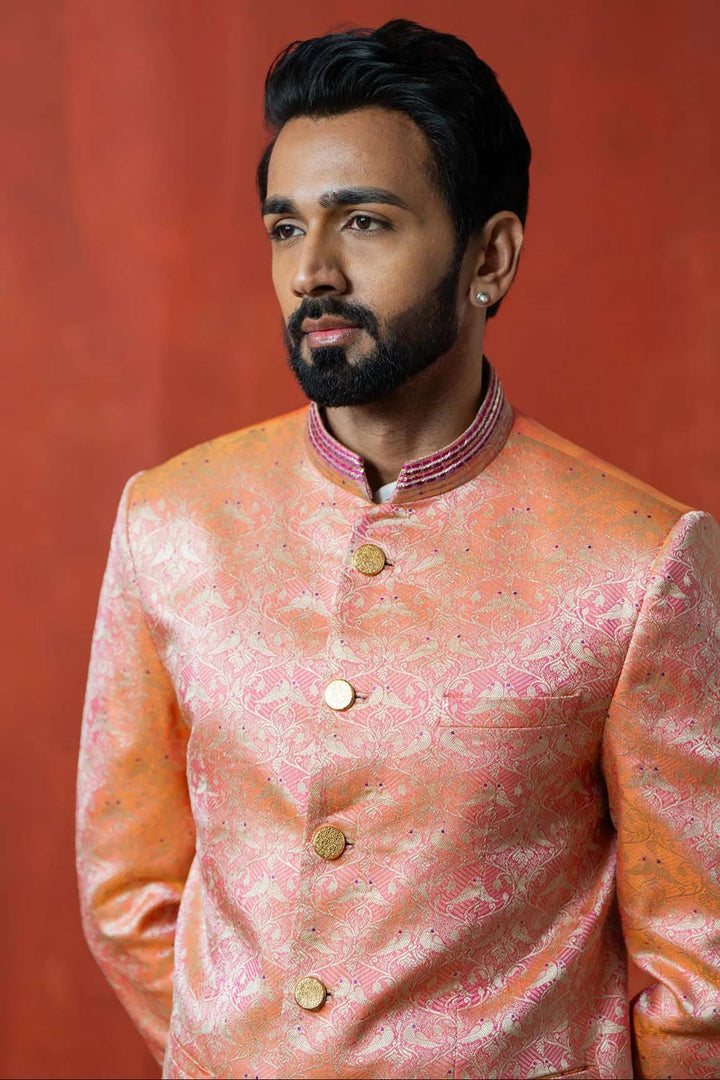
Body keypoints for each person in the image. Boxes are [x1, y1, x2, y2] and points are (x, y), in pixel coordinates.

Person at [76, 19, 720, 1080]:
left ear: (490, 254)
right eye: (285, 230)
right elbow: (129, 888)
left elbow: (698, 964)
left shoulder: (638, 563)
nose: (312, 272)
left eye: (363, 222)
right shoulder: (171, 522)